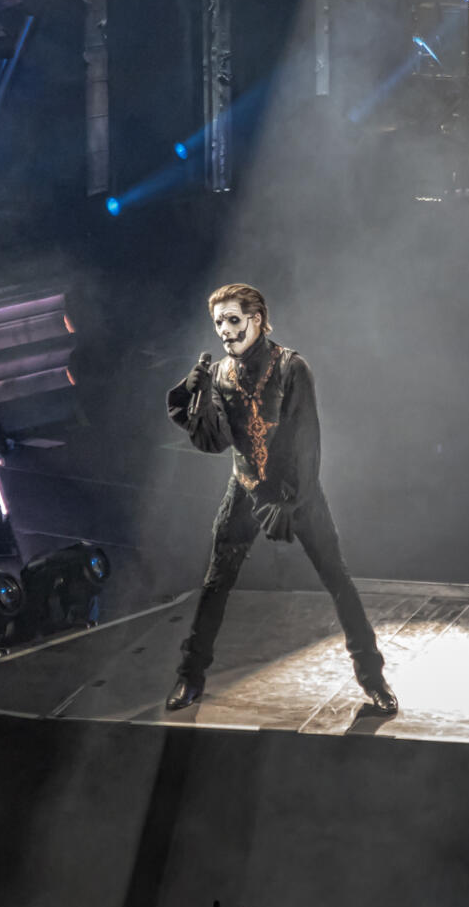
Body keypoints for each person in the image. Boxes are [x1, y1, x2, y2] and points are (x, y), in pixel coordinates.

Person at [163, 284, 396, 715]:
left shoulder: (292, 368)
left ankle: (373, 679)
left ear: (256, 318)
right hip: (245, 488)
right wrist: (188, 395)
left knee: (337, 579)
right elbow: (213, 443)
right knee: (215, 585)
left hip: (297, 491)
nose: (225, 331)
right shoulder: (218, 374)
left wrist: (291, 500)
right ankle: (189, 678)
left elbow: (307, 442)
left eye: (233, 320)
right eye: (218, 323)